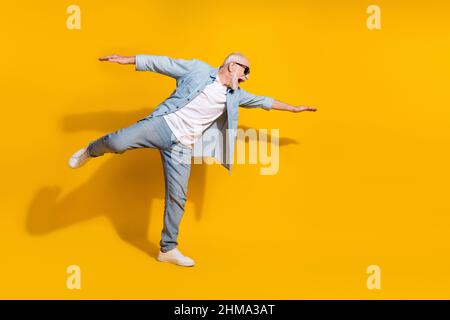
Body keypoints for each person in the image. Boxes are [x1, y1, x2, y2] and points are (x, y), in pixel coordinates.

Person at [68, 52, 317, 267]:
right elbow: (162, 63)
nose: (247, 77)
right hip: (163, 125)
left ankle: (167, 249)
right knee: (116, 142)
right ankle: (90, 151)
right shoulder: (197, 70)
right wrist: (128, 60)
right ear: (232, 66)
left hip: (182, 147)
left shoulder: (235, 95)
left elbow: (264, 102)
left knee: (178, 197)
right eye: (245, 70)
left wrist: (294, 108)